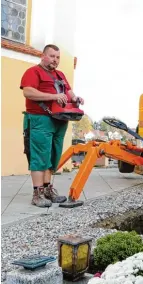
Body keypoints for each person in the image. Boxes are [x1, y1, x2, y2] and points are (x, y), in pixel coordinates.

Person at [20, 44, 85, 207]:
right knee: (40, 156)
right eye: (52, 56)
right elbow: (27, 91)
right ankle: (37, 193)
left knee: (53, 156)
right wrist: (53, 96)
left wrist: (76, 99)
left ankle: (48, 190)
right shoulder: (33, 72)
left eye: (57, 57)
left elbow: (69, 92)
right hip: (40, 119)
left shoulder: (60, 74)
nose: (55, 60)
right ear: (43, 56)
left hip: (60, 119)